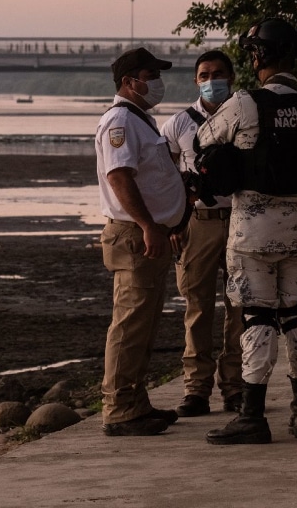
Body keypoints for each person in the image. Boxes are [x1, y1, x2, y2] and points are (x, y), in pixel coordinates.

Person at [197, 18, 297, 444]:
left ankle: (252, 414)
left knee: (256, 317)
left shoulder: (245, 103)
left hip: (255, 230)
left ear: (259, 56)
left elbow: (204, 138)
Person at [94, 46, 189, 436]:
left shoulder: (139, 119)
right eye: (151, 76)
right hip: (135, 236)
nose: (157, 83)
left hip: (151, 233)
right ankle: (118, 410)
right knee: (130, 324)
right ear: (129, 82)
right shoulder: (120, 121)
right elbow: (119, 177)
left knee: (145, 324)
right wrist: (150, 225)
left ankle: (135, 402)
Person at [160, 50, 244, 417]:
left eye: (220, 73)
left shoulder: (247, 115)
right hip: (200, 222)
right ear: (196, 80)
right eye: (205, 74)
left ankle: (236, 386)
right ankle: (196, 389)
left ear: (232, 77)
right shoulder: (179, 123)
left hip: (243, 219)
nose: (212, 80)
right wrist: (173, 223)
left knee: (240, 308)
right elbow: (163, 176)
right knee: (197, 308)